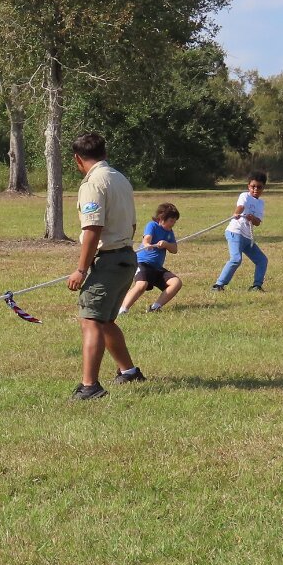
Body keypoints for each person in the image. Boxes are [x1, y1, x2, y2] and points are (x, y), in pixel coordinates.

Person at [67, 132, 143, 399]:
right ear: (104, 153)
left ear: (77, 159)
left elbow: (93, 228)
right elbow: (133, 224)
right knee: (106, 320)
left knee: (90, 320)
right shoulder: (120, 178)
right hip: (127, 257)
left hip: (109, 260)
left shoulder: (93, 183)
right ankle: (129, 372)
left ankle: (90, 386)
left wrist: (81, 269)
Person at [118, 202, 182, 315]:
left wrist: (166, 244)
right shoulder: (152, 225)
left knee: (176, 283)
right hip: (142, 263)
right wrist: (148, 245)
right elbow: (146, 239)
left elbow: (174, 249)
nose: (173, 224)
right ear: (162, 218)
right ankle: (123, 310)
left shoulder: (169, 232)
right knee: (141, 285)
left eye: (174, 221)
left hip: (157, 268)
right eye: (171, 221)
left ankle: (155, 307)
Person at [212, 172, 268, 292]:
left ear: (263, 188)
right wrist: (237, 213)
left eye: (259, 187)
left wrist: (252, 218)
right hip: (235, 232)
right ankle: (218, 285)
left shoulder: (261, 203)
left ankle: (257, 286)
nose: (255, 189)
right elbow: (241, 206)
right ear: (248, 186)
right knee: (236, 259)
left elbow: (258, 222)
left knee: (262, 260)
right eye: (253, 186)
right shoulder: (244, 196)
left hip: (247, 237)